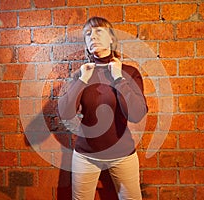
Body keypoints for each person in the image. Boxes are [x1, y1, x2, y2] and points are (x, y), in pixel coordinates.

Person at [58, 16, 148, 200]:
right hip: (86, 156)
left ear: (111, 39)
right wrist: (82, 79)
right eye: (88, 34)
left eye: (99, 31)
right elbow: (66, 113)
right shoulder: (81, 74)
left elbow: (136, 114)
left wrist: (118, 79)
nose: (93, 36)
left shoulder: (129, 72)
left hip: (123, 155)